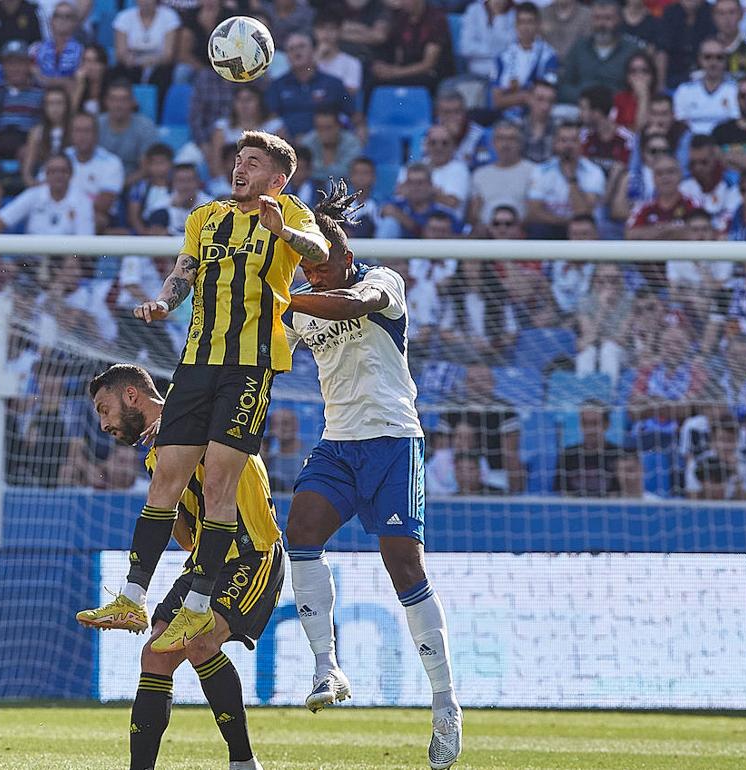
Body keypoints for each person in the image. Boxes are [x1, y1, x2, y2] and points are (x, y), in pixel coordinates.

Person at [76, 130, 327, 655]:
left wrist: (286, 233)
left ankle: (197, 607)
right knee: (164, 477)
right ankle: (131, 596)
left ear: (276, 180)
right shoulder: (205, 218)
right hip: (195, 363)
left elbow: (320, 250)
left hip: (249, 367)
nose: (240, 169)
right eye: (238, 161)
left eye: (253, 163)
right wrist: (165, 303)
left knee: (217, 482)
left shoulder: (291, 213)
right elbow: (183, 272)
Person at [280, 183, 462, 770]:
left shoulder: (381, 283)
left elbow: (350, 308)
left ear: (345, 254)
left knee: (403, 564)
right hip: (338, 444)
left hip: (392, 440)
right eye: (303, 265)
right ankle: (326, 665)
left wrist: (283, 297)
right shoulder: (305, 308)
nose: (311, 272)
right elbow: (264, 346)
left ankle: (444, 704)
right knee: (301, 530)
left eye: (317, 261)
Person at [77, 364, 279, 770]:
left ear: (131, 396)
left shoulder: (197, 415)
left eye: (104, 409)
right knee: (155, 654)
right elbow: (186, 537)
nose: (104, 424)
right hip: (205, 559)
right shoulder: (157, 454)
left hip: (250, 551)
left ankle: (243, 762)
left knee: (199, 642)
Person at [267, 31, 352, 138]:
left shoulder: (333, 83)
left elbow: (352, 116)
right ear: (287, 56)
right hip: (289, 144)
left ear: (314, 50)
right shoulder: (277, 86)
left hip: (326, 144)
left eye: (301, 46)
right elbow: (271, 119)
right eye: (291, 49)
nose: (296, 52)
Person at [0, 153, 93, 235]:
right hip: (32, 260)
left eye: (63, 171)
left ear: (71, 174)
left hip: (67, 259)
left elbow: (86, 240)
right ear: (46, 174)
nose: (58, 175)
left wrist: (73, 258)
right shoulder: (33, 194)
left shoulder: (82, 200)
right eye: (53, 171)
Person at [490, 2, 558, 117]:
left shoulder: (549, 56)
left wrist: (510, 97)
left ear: (538, 25)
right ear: (516, 25)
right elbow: (496, 100)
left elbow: (544, 98)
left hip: (533, 116)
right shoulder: (502, 57)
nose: (525, 27)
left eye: (530, 22)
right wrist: (524, 96)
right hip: (503, 118)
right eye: (521, 22)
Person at [672, 38, 737, 136]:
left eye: (719, 57)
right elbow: (680, 123)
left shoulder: (736, 91)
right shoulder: (684, 90)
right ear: (700, 59)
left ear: (725, 60)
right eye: (708, 57)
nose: (713, 62)